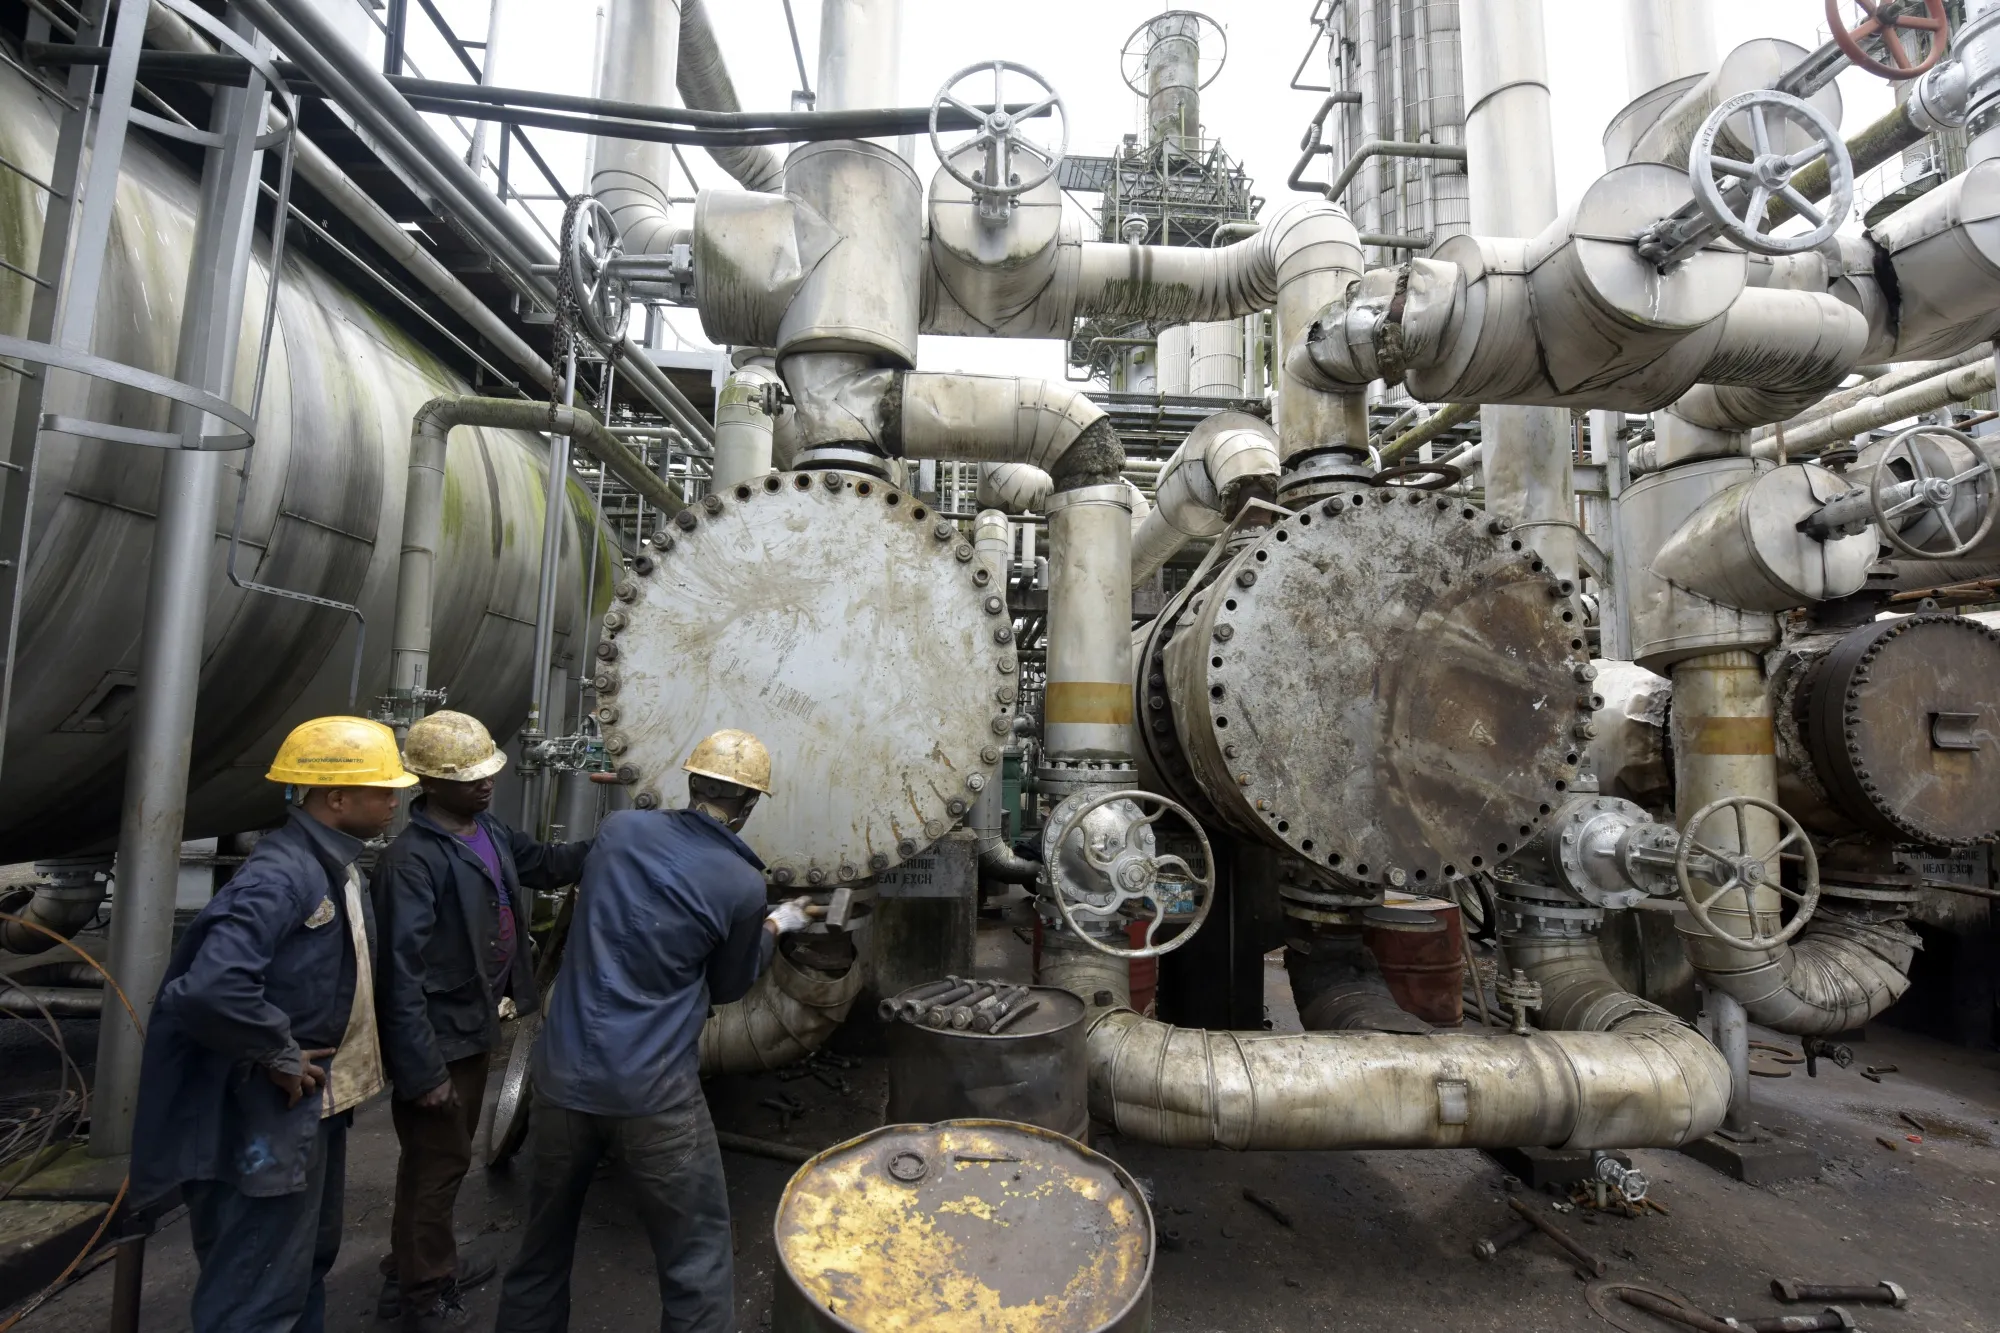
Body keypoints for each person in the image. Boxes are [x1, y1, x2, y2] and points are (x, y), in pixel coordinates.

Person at [493, 729, 813, 1333]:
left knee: (541, 1249)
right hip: (653, 1095)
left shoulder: (618, 834)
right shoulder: (740, 883)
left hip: (560, 1079)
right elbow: (727, 986)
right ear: (748, 806)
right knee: (695, 1258)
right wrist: (778, 924)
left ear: (691, 783)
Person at [131, 716, 416, 1333]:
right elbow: (210, 987)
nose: (395, 801)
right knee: (258, 1290)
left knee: (301, 1265)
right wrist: (278, 1051)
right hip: (263, 1116)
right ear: (336, 798)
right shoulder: (280, 877)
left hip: (312, 1111)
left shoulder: (334, 867)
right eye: (382, 789)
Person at [369, 711, 594, 1329]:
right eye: (469, 778)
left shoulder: (485, 829)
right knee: (437, 1164)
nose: (486, 784)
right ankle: (423, 1294)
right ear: (428, 783)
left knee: (438, 1159)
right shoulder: (410, 862)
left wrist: (620, 837)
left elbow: (548, 863)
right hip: (439, 1038)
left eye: (488, 773)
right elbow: (399, 976)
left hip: (469, 1025)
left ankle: (409, 1267)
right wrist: (423, 1072)